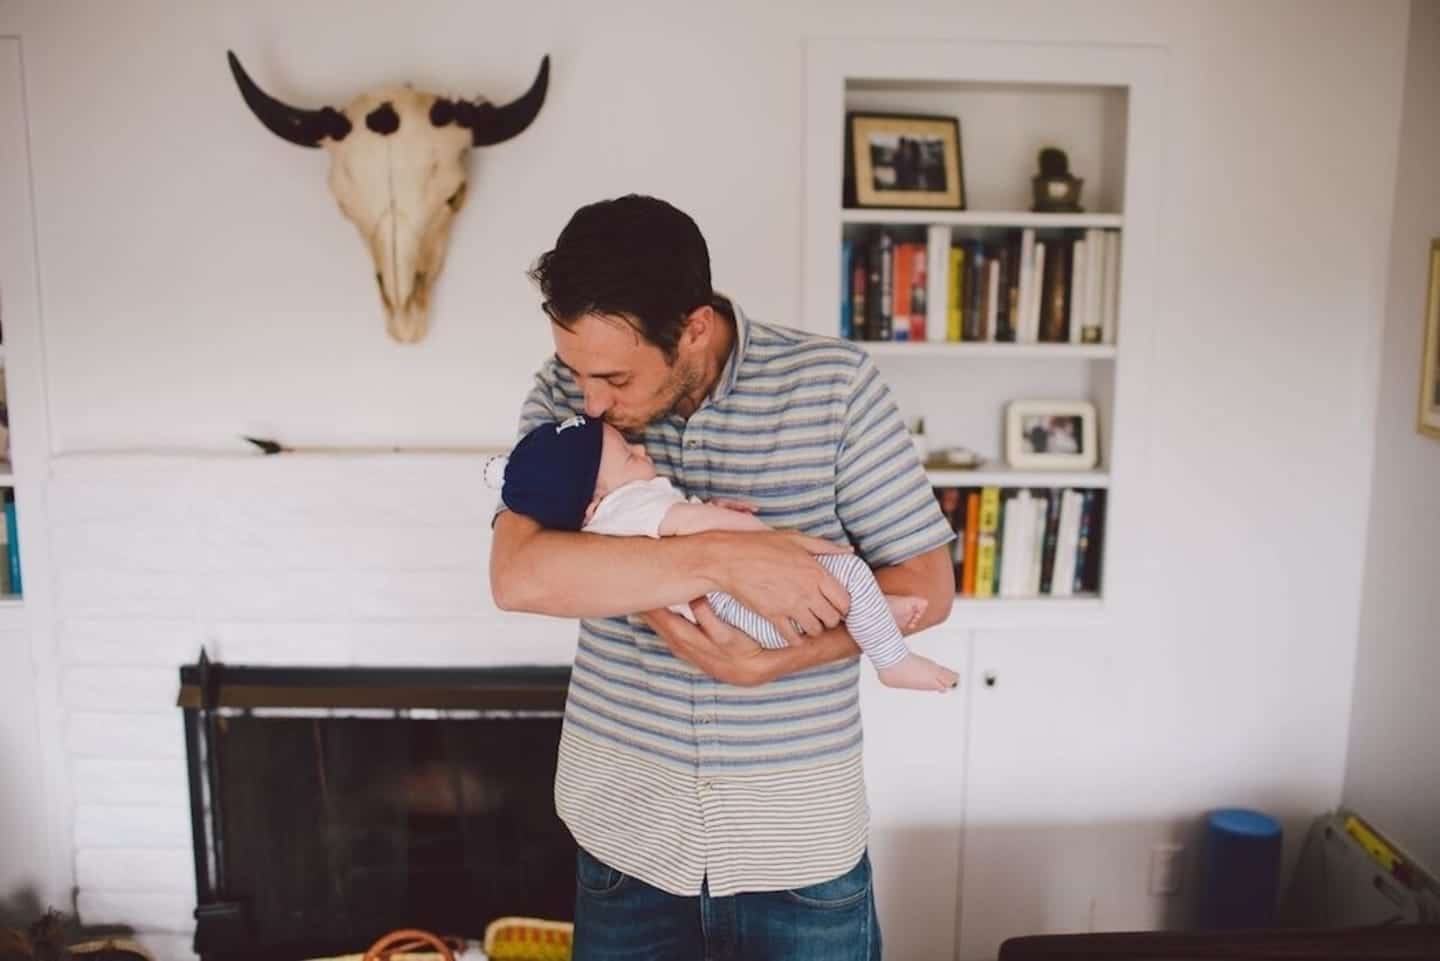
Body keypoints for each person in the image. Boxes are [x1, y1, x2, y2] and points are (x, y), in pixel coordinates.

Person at [489, 194, 957, 960]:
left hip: (799, 846)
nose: (591, 401)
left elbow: (925, 587)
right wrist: (722, 556)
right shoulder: (564, 395)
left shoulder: (832, 384)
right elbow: (520, 575)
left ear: (695, 327)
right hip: (627, 840)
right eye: (578, 371)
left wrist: (774, 660)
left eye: (613, 376)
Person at [498, 413, 960, 692]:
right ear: (593, 499)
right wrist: (759, 537)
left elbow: (679, 526)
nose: (639, 448)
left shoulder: (608, 519)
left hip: (727, 617)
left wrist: (709, 513)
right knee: (849, 572)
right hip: (735, 609)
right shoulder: (631, 503)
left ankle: (876, 618)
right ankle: (892, 659)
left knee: (832, 595)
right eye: (627, 454)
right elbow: (695, 528)